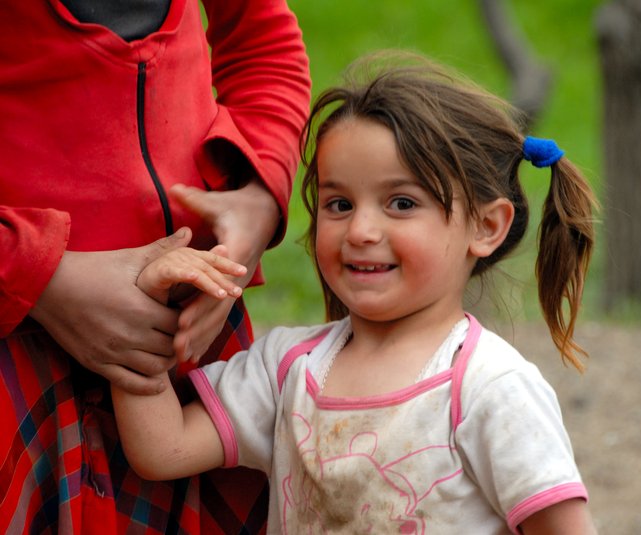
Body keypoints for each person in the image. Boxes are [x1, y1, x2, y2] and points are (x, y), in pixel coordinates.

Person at [112, 53, 598, 534]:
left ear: (486, 226)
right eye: (339, 203)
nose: (361, 230)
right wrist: (144, 305)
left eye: (402, 203)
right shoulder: (287, 369)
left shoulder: (490, 388)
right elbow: (163, 450)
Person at [0, 1, 310, 533]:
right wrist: (37, 274)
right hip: (19, 347)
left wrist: (258, 198)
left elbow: (265, 45)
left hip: (190, 347)